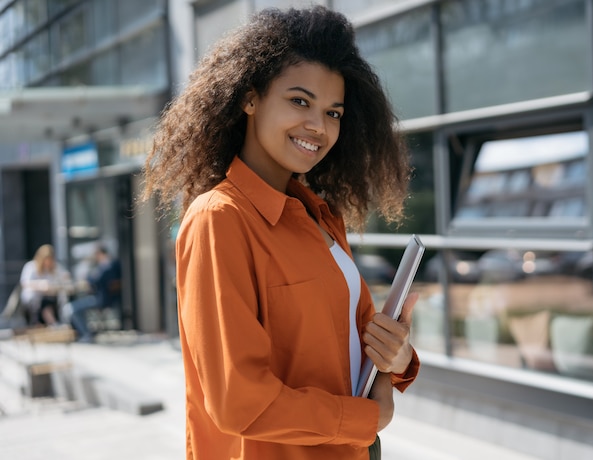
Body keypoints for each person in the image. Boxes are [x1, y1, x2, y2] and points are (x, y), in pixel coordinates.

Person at [142, 6, 419, 460]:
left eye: (333, 112)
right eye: (299, 101)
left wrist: (398, 360)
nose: (319, 126)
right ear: (250, 99)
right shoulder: (219, 220)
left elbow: (357, 347)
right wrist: (368, 419)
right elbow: (239, 401)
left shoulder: (320, 217)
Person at [61, 245, 121, 343]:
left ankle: (86, 334)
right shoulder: (108, 265)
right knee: (73, 307)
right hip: (103, 298)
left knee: (72, 308)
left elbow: (93, 280)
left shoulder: (107, 265)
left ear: (99, 254)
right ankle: (86, 333)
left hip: (102, 299)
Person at [19, 244, 72, 326]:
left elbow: (65, 275)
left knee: (60, 297)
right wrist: (40, 285)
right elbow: (24, 283)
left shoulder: (55, 267)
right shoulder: (31, 266)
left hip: (50, 298)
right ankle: (40, 322)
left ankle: (60, 321)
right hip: (34, 299)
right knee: (34, 298)